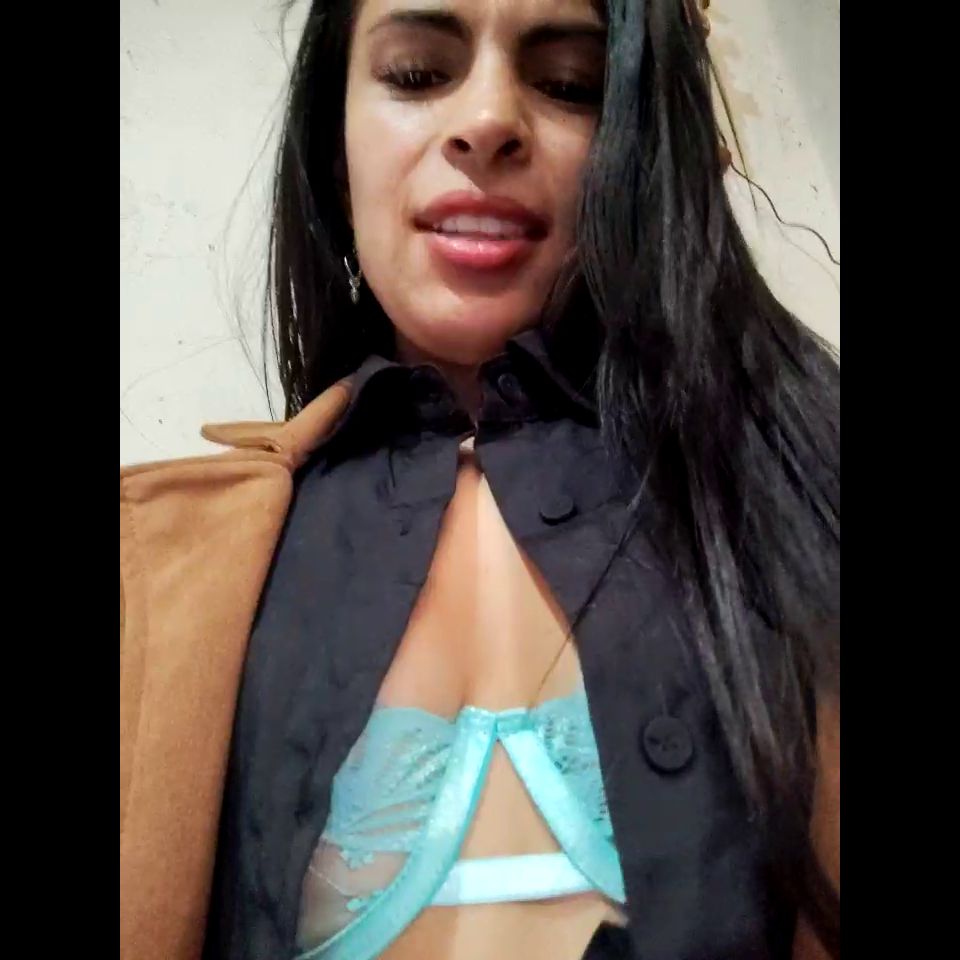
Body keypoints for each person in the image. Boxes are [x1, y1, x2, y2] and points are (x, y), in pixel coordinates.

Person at [119, 1, 840, 958]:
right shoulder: (161, 581)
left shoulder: (798, 507)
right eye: (417, 74)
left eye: (571, 85)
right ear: (334, 151)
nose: (490, 118)